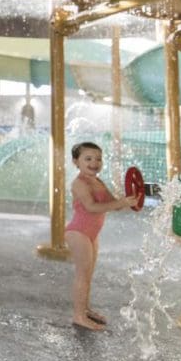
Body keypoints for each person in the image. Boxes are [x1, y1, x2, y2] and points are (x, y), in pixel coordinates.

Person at [64, 141, 137, 331]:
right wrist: (119, 202)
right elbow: (91, 207)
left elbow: (114, 204)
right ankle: (78, 315)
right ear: (76, 162)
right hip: (78, 232)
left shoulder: (98, 181)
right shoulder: (79, 183)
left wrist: (129, 201)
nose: (94, 162)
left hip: (91, 234)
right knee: (82, 274)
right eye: (88, 158)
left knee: (88, 274)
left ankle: (85, 308)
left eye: (98, 159)